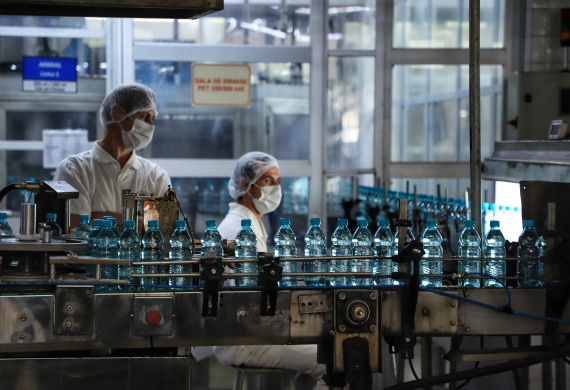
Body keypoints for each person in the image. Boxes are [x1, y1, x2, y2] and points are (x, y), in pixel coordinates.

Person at [213, 151, 328, 390]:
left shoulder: (249, 221)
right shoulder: (240, 229)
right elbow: (251, 299)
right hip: (245, 339)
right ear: (246, 184)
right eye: (268, 181)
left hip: (247, 331)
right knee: (333, 361)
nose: (276, 187)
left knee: (325, 346)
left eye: (277, 180)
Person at [54, 83, 171, 228]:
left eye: (152, 118)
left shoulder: (156, 175)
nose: (150, 126)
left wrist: (98, 217)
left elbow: (165, 231)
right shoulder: (74, 169)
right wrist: (140, 224)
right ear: (118, 113)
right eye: (144, 116)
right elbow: (74, 224)